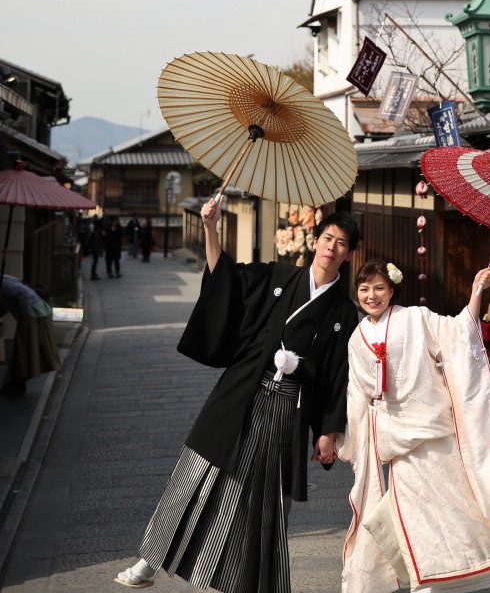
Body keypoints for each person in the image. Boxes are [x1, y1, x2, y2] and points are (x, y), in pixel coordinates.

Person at [115, 197, 361, 593]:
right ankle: (150, 559)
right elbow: (225, 276)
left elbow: (338, 375)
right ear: (315, 241)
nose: (332, 247)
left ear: (349, 254)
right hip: (244, 390)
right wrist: (210, 227)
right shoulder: (279, 275)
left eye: (342, 243)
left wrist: (329, 430)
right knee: (196, 472)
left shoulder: (344, 313)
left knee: (263, 497)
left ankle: (252, 583)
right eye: (328, 238)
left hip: (287, 408)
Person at [339, 260, 490, 593]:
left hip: (435, 429)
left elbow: (457, 331)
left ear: (392, 290)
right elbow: (357, 392)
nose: (372, 295)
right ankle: (426, 580)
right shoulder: (357, 339)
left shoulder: (415, 318)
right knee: (415, 515)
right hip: (398, 439)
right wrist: (347, 438)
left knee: (466, 507)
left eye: (379, 288)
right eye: (365, 289)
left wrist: (476, 290)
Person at [0, 249, 60, 398]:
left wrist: (18, 314)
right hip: (34, 310)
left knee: (25, 350)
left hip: (32, 311)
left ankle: (17, 383)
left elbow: (19, 292)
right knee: (26, 350)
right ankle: (17, 383)